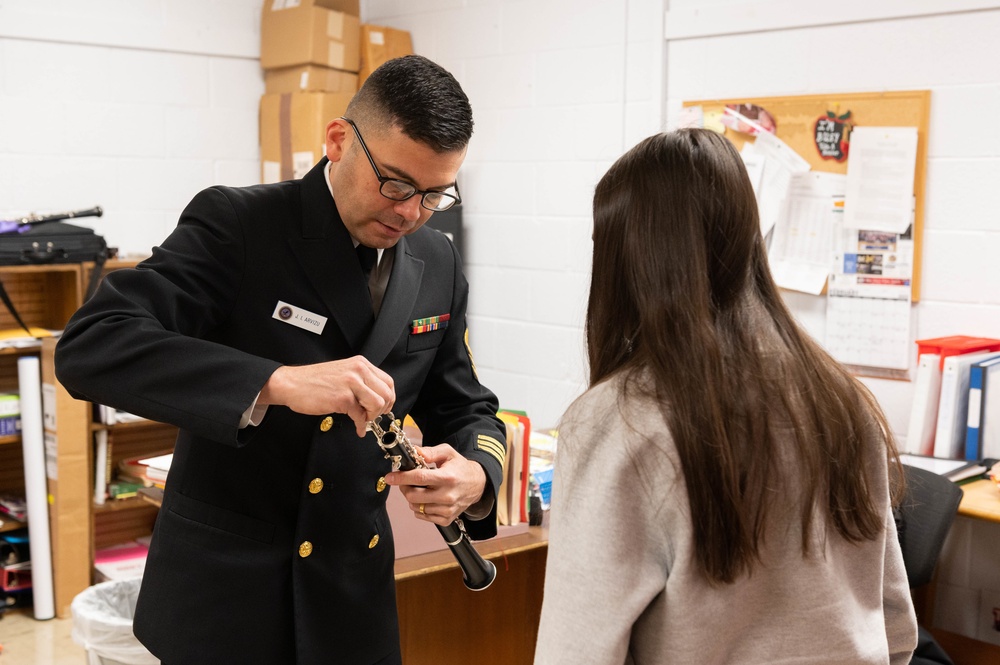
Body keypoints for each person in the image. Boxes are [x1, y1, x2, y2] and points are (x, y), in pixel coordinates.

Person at [55, 55, 506, 665]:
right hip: (228, 597)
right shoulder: (240, 223)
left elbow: (465, 405)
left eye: (434, 194)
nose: (409, 212)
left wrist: (477, 476)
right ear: (339, 141)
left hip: (350, 597)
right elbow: (93, 342)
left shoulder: (438, 260)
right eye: (396, 184)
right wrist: (273, 381)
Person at [533, 129, 918, 664]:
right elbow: (896, 628)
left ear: (627, 260)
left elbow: (576, 654)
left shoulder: (620, 422)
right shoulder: (842, 401)